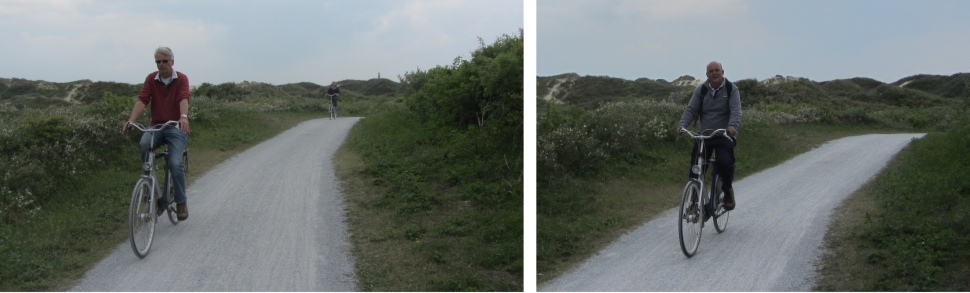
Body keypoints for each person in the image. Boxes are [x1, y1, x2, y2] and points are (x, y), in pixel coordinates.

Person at [121, 46, 191, 220]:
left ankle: (181, 202)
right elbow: (143, 99)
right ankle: (147, 186)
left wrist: (183, 117)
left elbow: (183, 97)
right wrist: (131, 119)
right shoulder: (151, 79)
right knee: (144, 144)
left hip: (175, 127)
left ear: (172, 62)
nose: (161, 64)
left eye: (164, 61)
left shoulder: (181, 78)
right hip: (156, 126)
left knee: (175, 164)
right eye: (158, 62)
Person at [676, 61, 742, 211]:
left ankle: (727, 192)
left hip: (723, 135)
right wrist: (682, 125)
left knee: (725, 162)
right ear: (707, 75)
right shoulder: (701, 90)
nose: (714, 73)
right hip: (704, 136)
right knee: (696, 168)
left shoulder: (731, 89)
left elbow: (736, 110)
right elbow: (691, 110)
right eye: (711, 71)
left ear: (722, 72)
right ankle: (693, 201)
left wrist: (732, 127)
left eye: (717, 70)